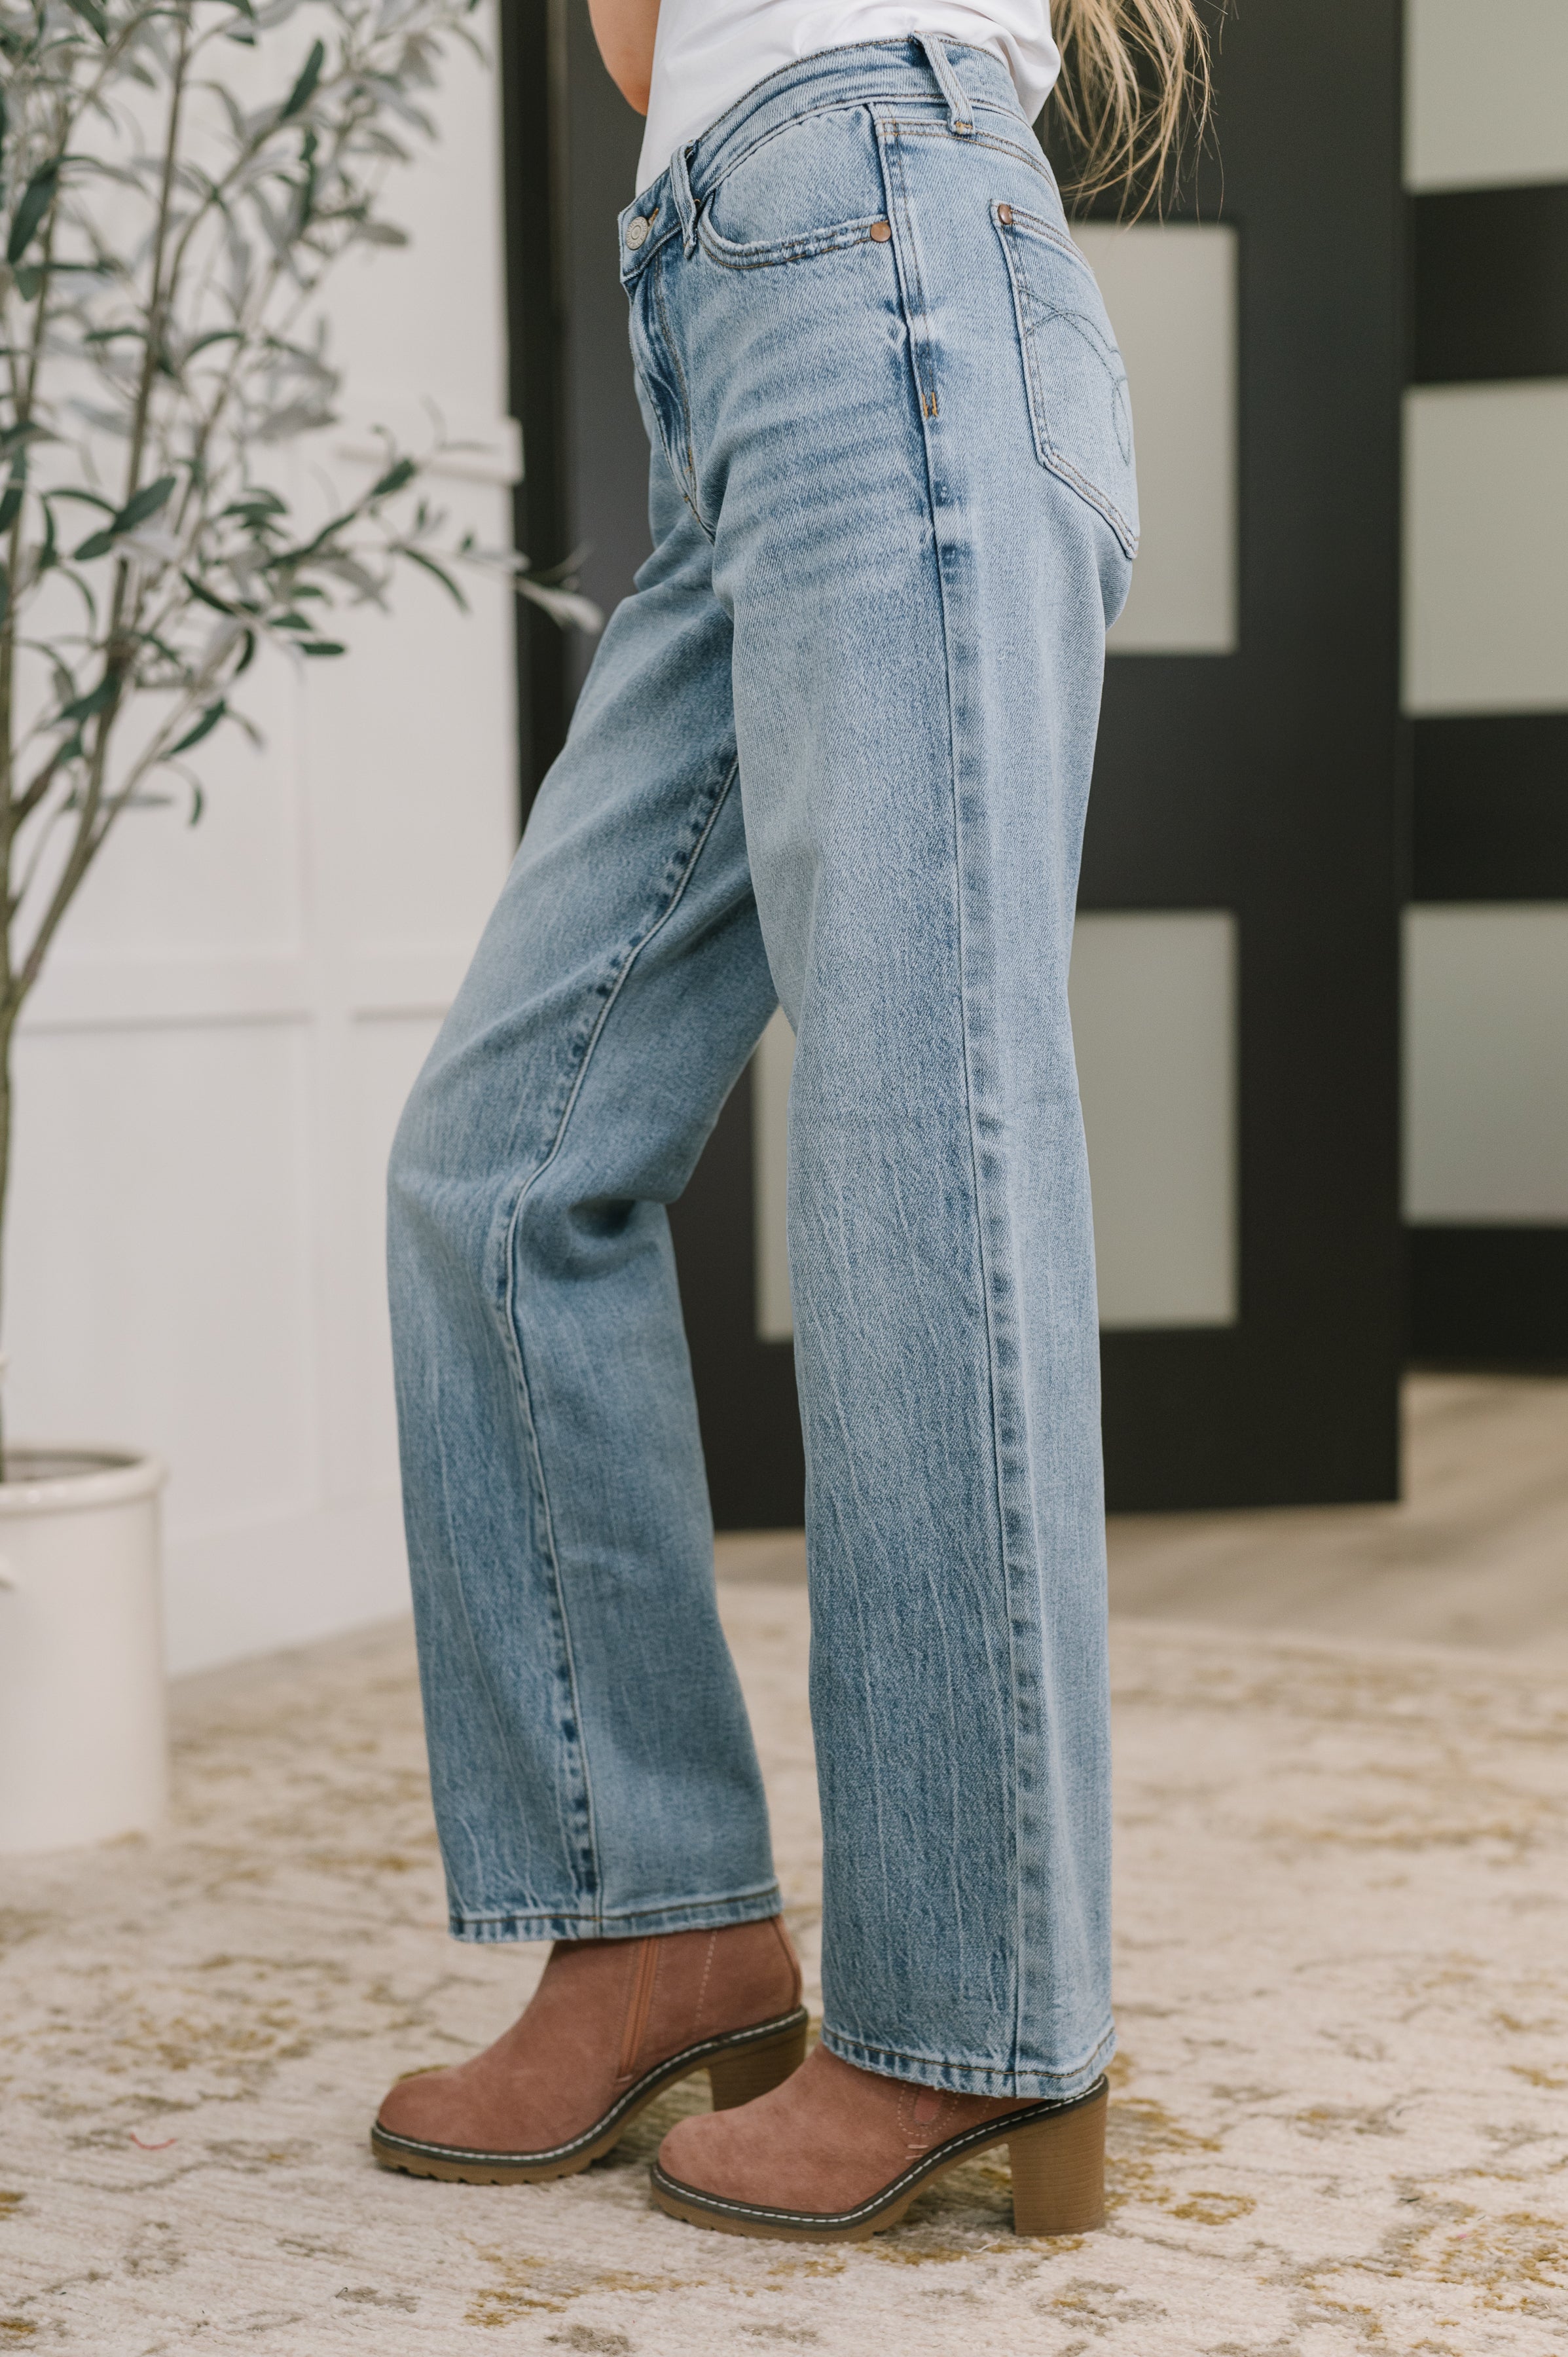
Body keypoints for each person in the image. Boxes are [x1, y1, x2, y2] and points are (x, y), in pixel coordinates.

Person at [372, 0, 1205, 2244]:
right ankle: (656, 1926)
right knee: (500, 1168)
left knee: (918, 1159)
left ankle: (967, 2013)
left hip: (880, 267)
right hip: (743, 319)